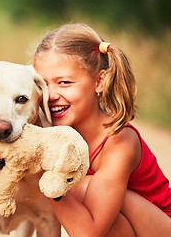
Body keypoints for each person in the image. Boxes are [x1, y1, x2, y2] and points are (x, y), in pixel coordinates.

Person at [33, 23, 171, 236]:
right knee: (87, 193)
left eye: (65, 82)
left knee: (85, 188)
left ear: (99, 81)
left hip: (160, 226)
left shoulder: (119, 140)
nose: (50, 95)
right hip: (120, 226)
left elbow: (88, 232)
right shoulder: (49, 130)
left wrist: (45, 172)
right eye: (43, 84)